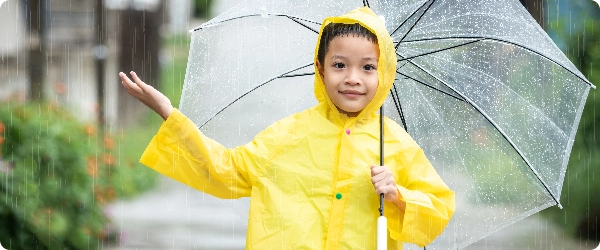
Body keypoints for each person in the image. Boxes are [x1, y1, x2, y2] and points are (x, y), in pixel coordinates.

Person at [119, 6, 454, 250]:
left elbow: (438, 210)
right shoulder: (287, 135)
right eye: (340, 65)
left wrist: (397, 196)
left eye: (368, 67)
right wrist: (168, 112)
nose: (353, 78)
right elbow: (226, 171)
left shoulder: (394, 144)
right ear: (320, 69)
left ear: (384, 74)